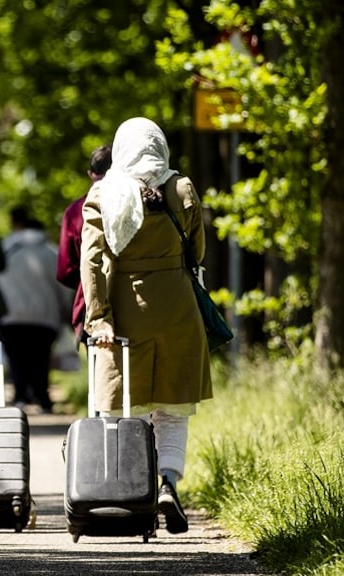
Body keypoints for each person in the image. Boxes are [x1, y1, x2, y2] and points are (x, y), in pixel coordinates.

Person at [80, 117, 213, 535]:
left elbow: (94, 262)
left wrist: (98, 317)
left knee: (125, 407)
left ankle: (130, 498)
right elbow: (199, 249)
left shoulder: (103, 193)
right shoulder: (183, 188)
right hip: (177, 308)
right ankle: (168, 483)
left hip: (126, 309)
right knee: (172, 411)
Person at [0, 207, 72, 414]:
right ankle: (42, 399)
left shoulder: (5, 248)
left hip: (11, 315)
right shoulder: (52, 251)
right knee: (41, 359)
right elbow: (64, 285)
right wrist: (66, 311)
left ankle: (20, 396)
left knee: (16, 358)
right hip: (45, 316)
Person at [57, 145, 112, 349]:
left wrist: (87, 281)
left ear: (90, 174)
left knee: (102, 375)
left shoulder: (74, 212)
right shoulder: (140, 203)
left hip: (91, 304)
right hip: (136, 300)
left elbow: (65, 270)